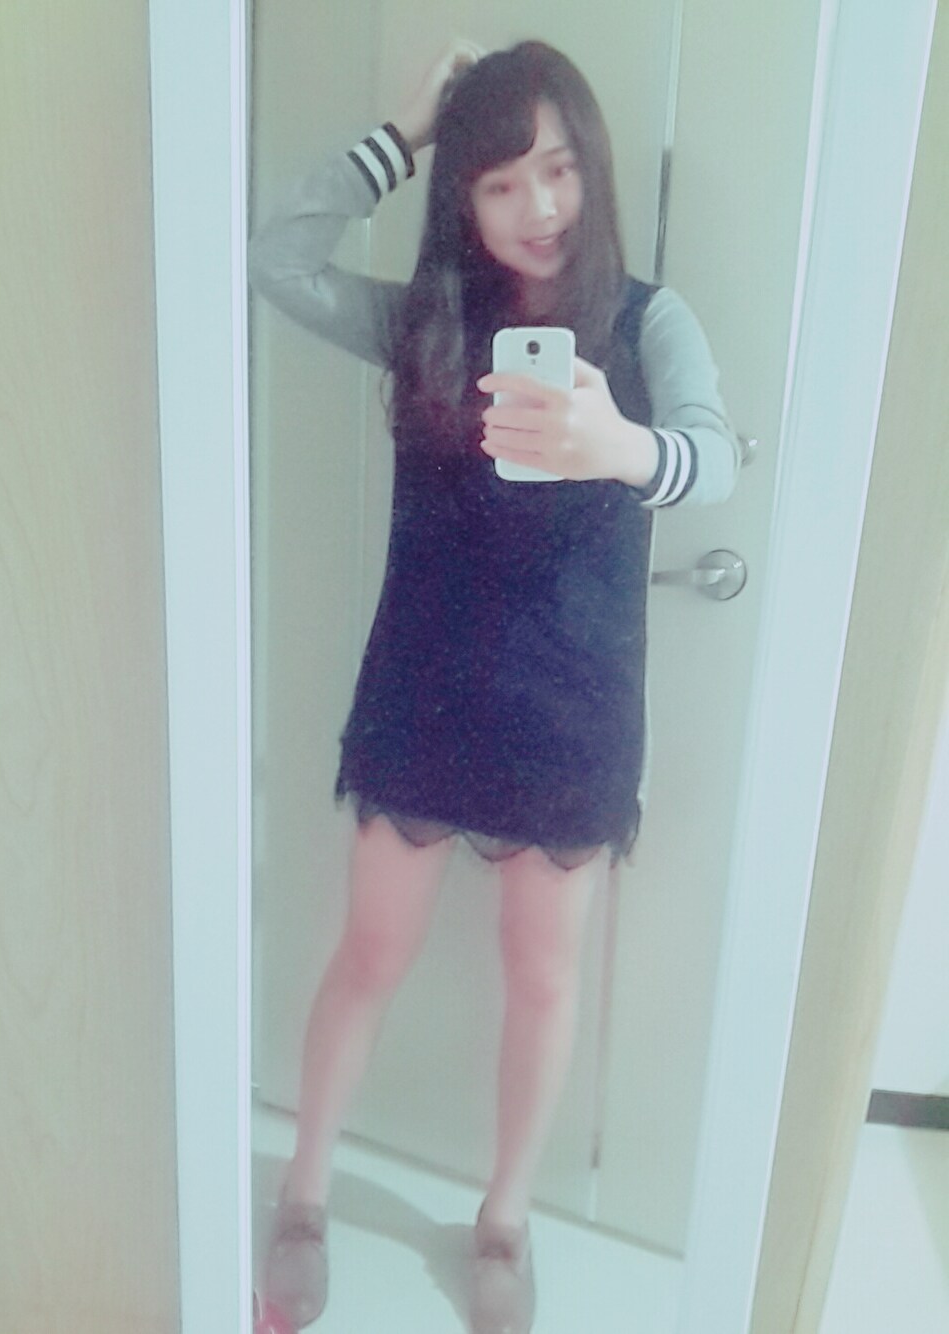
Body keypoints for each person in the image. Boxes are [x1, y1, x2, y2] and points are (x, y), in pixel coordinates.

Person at [248, 38, 738, 1334]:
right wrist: (403, 134)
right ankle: (304, 1193)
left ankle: (506, 1219)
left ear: (594, 171)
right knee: (371, 949)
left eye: (559, 169)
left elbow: (715, 459)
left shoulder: (650, 323)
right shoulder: (428, 322)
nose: (540, 206)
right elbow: (276, 260)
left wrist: (620, 444)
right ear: (462, 197)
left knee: (542, 976)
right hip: (423, 684)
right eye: (501, 180)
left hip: (575, 702)